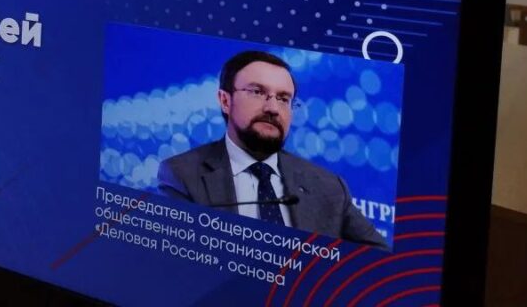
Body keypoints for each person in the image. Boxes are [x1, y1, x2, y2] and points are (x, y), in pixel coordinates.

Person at [158, 50, 388, 248]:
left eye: (283, 98)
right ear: (225, 101)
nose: (273, 108)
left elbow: (380, 262)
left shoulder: (329, 187)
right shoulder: (182, 176)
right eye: (257, 92)